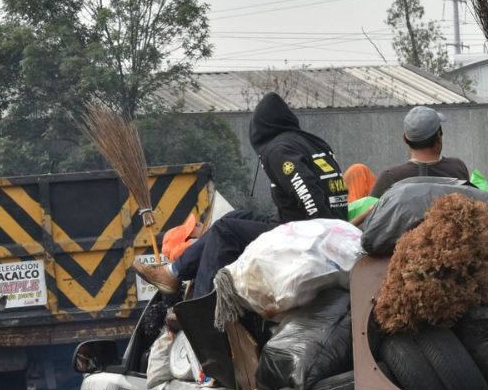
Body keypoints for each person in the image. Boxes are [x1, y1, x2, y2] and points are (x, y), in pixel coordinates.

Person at [132, 92, 348, 298]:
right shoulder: (312, 143)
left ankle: (200, 306)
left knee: (225, 231)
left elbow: (306, 188)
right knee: (232, 218)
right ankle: (173, 272)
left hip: (308, 235)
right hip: (322, 226)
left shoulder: (278, 149)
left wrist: (320, 233)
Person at [369, 106, 470, 198]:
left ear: (405, 139)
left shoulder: (391, 177)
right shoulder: (457, 168)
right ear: (439, 137)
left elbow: (373, 215)